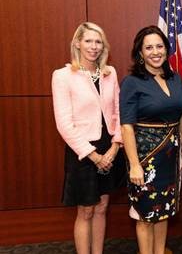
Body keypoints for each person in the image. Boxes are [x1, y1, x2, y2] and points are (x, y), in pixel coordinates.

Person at [52, 22, 126, 254]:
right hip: (83, 152)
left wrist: (115, 147)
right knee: (86, 210)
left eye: (98, 42)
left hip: (110, 148)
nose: (94, 47)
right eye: (88, 41)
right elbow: (64, 124)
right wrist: (94, 156)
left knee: (102, 207)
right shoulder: (63, 76)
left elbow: (119, 112)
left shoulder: (109, 72)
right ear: (77, 43)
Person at [119, 25, 182, 254]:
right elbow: (126, 127)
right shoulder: (132, 82)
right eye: (148, 47)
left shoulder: (175, 79)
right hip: (145, 159)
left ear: (166, 49)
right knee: (145, 214)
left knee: (164, 211)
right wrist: (134, 165)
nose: (155, 52)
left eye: (159, 46)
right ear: (140, 53)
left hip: (170, 159)